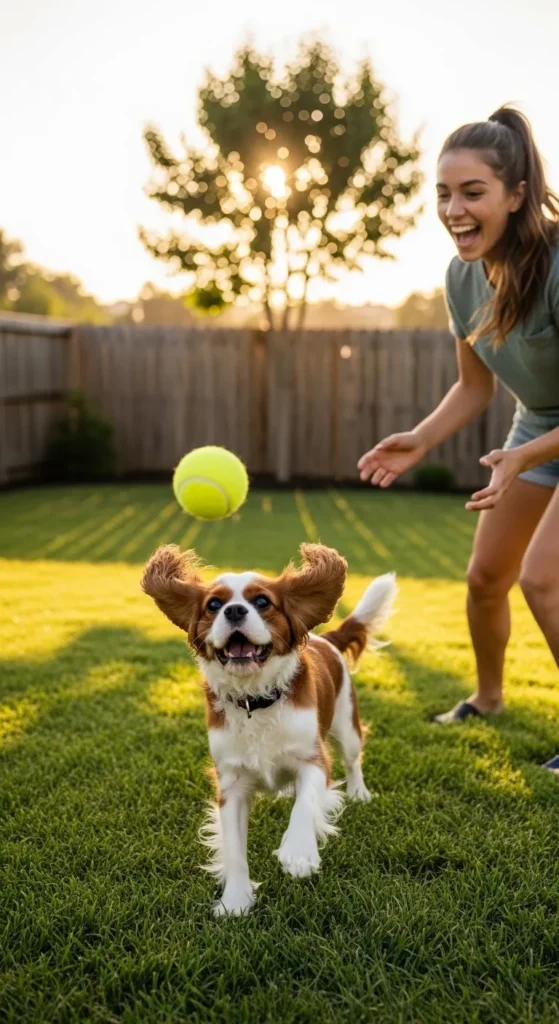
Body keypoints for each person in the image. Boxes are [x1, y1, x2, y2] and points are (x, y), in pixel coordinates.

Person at [357, 106, 559, 773]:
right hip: (534, 431)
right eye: (443, 194)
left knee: (542, 581)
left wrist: (524, 456)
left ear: (515, 195)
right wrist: (417, 438)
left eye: (472, 193)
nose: (453, 209)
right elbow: (473, 386)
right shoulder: (460, 277)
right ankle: (489, 697)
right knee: (483, 579)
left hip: (537, 444)